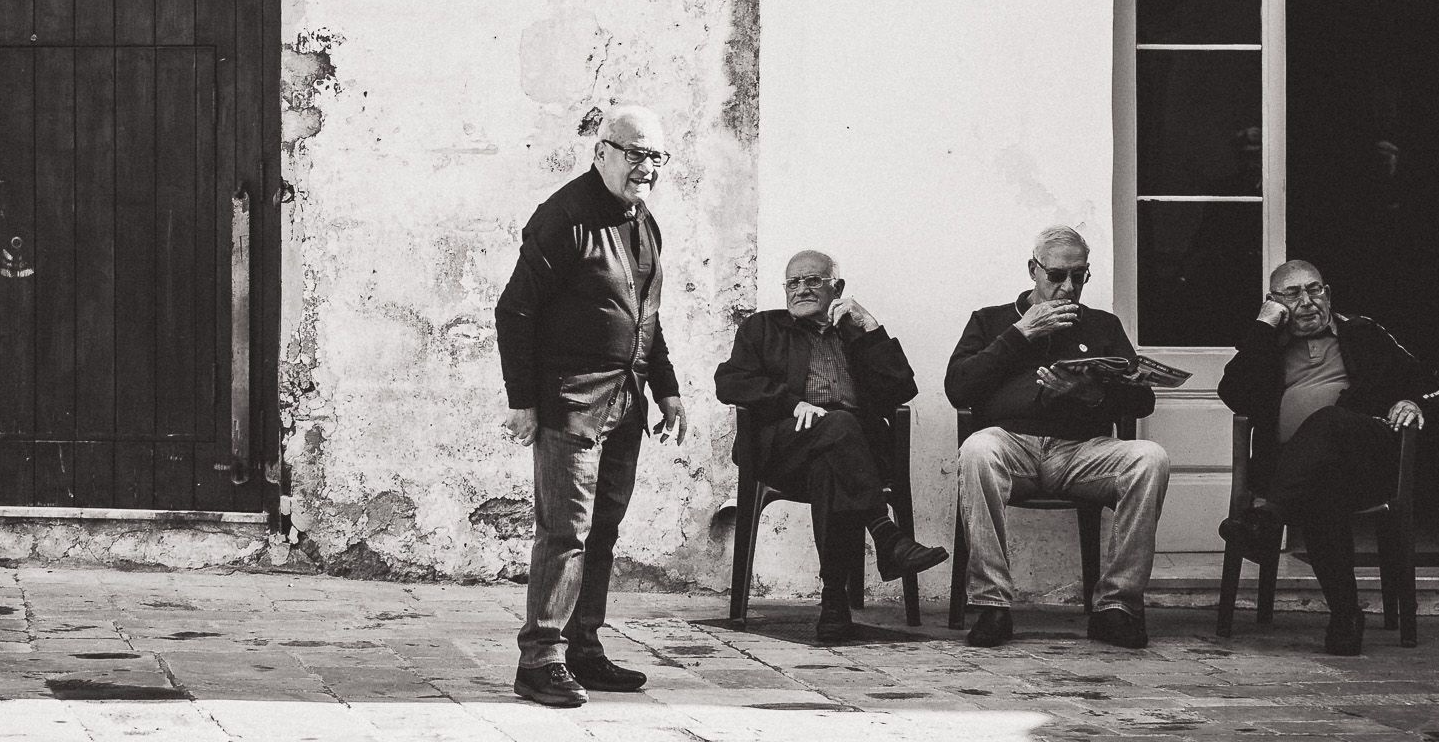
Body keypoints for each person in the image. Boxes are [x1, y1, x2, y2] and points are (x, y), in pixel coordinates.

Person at [495, 105, 689, 708]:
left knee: (602, 529)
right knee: (565, 531)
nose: (647, 167)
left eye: (656, 156)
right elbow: (515, 311)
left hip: (626, 401)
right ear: (601, 151)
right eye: (636, 154)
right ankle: (542, 657)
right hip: (572, 399)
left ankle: (583, 646)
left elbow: (645, 318)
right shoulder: (564, 217)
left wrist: (668, 387)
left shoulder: (644, 223)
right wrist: (524, 401)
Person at [946, 226, 1171, 650]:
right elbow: (958, 387)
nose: (1068, 287)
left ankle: (1116, 607)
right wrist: (1018, 336)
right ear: (1033, 270)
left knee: (1150, 457)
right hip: (1012, 446)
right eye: (1057, 275)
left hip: (1082, 452)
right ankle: (992, 606)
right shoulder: (990, 320)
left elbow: (1141, 402)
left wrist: (1093, 393)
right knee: (978, 448)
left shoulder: (1103, 326)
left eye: (1079, 276)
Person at [715, 250, 949, 643]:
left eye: (813, 281)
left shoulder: (854, 334)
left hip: (846, 453)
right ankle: (885, 533)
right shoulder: (762, 328)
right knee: (839, 423)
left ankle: (833, 603)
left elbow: (901, 388)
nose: (801, 289)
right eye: (794, 282)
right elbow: (730, 382)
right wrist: (792, 403)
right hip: (784, 447)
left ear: (837, 288)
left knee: (831, 463)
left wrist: (871, 327)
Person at [1217, 259, 1439, 656]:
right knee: (1323, 494)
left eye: (1314, 290)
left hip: (1365, 458)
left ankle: (1269, 518)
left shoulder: (1362, 332)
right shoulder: (1268, 344)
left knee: (1330, 420)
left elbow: (1431, 381)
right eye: (1292, 294)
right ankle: (1345, 617)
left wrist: (1412, 400)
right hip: (1304, 475)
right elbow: (1233, 393)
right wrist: (1263, 326)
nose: (1307, 301)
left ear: (1328, 293)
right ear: (1275, 303)